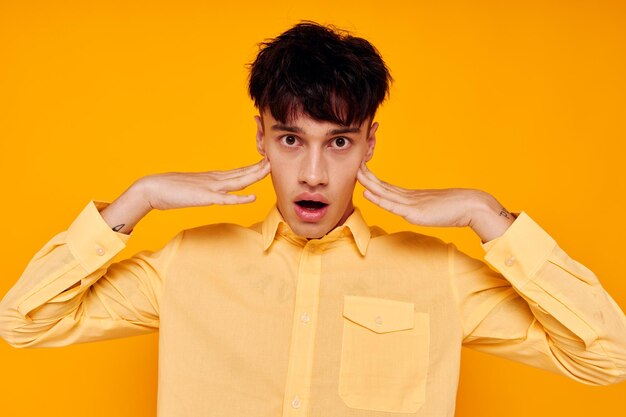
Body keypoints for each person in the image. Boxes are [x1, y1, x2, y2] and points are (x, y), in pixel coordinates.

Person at [1, 21, 625, 417]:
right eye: (292, 140)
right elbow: (23, 323)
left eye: (339, 142)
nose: (314, 175)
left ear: (369, 144)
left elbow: (611, 359)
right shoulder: (190, 264)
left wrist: (489, 217)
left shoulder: (437, 276)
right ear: (262, 139)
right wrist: (132, 202)